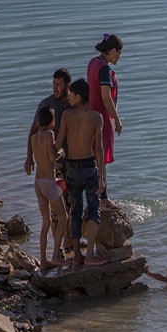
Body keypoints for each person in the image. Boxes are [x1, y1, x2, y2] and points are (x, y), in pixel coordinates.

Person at [55, 78, 107, 266]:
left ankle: (77, 255)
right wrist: (101, 177)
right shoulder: (96, 117)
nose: (68, 98)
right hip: (89, 166)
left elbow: (59, 143)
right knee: (94, 209)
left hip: (72, 167)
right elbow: (99, 149)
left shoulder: (67, 115)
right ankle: (90, 255)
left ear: (78, 96)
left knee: (75, 211)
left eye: (70, 95)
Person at [25, 68, 73, 247]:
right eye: (53, 84)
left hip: (73, 161)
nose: (55, 88)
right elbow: (33, 131)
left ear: (68, 85)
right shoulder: (47, 105)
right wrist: (29, 158)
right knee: (57, 209)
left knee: (72, 203)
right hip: (56, 166)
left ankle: (69, 242)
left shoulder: (74, 102)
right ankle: (59, 246)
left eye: (58, 85)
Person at [87, 33, 124, 211]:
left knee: (95, 158)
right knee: (101, 159)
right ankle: (103, 199)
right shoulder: (104, 69)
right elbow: (106, 97)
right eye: (118, 53)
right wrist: (117, 119)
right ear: (112, 51)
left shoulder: (93, 63)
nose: (119, 57)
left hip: (90, 117)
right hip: (102, 118)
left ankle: (97, 195)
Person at [30, 107, 68, 270]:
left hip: (38, 183)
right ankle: (55, 256)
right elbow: (52, 157)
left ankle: (44, 260)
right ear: (52, 122)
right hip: (48, 183)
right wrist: (61, 151)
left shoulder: (34, 138)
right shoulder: (49, 135)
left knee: (46, 222)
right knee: (63, 217)